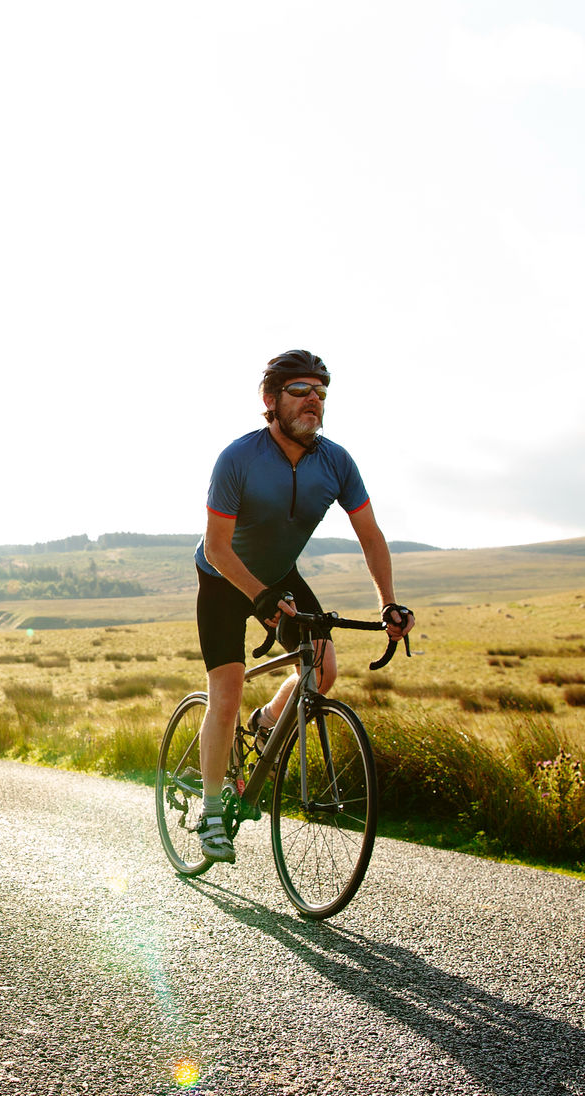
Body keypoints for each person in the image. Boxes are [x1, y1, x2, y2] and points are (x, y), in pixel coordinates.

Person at [192, 350, 416, 863]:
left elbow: (371, 536)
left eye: (320, 392)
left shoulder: (336, 461)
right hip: (223, 577)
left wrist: (389, 603)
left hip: (280, 576)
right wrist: (259, 596)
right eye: (300, 390)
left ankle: (268, 720)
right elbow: (216, 547)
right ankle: (209, 812)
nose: (313, 399)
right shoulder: (238, 458)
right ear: (270, 401)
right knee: (225, 691)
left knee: (324, 666)